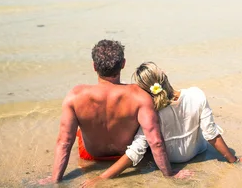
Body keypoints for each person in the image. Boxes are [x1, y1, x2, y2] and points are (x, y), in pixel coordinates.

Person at [39, 40, 187, 185]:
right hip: (125, 155)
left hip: (91, 156)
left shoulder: (75, 96)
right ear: (123, 64)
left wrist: (55, 180)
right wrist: (170, 174)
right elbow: (156, 142)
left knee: (78, 132)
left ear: (94, 66)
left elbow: (64, 142)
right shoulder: (139, 95)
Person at [87, 62, 242, 181]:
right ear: (164, 74)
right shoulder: (196, 94)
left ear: (144, 90)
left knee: (139, 139)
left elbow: (135, 151)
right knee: (211, 127)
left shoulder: (150, 111)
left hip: (171, 160)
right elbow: (211, 135)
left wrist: (102, 177)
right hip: (198, 150)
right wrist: (234, 160)